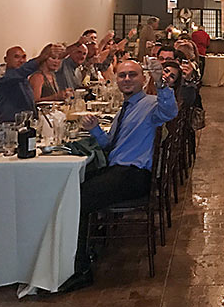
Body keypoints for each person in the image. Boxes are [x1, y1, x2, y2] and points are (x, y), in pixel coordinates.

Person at [59, 59, 178, 293]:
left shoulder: (150, 104)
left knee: (77, 199)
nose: (127, 79)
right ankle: (90, 245)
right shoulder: (125, 108)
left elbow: (169, 111)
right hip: (120, 170)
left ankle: (81, 269)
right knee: (72, 187)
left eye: (132, 75)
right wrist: (94, 128)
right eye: (122, 75)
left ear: (143, 78)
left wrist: (161, 84)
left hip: (135, 175)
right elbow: (110, 145)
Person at [0, 44, 63, 123]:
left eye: (24, 57)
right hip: (10, 125)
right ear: (6, 59)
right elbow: (23, 71)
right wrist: (41, 58)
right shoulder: (3, 77)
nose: (21, 60)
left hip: (27, 123)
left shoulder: (23, 78)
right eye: (16, 57)